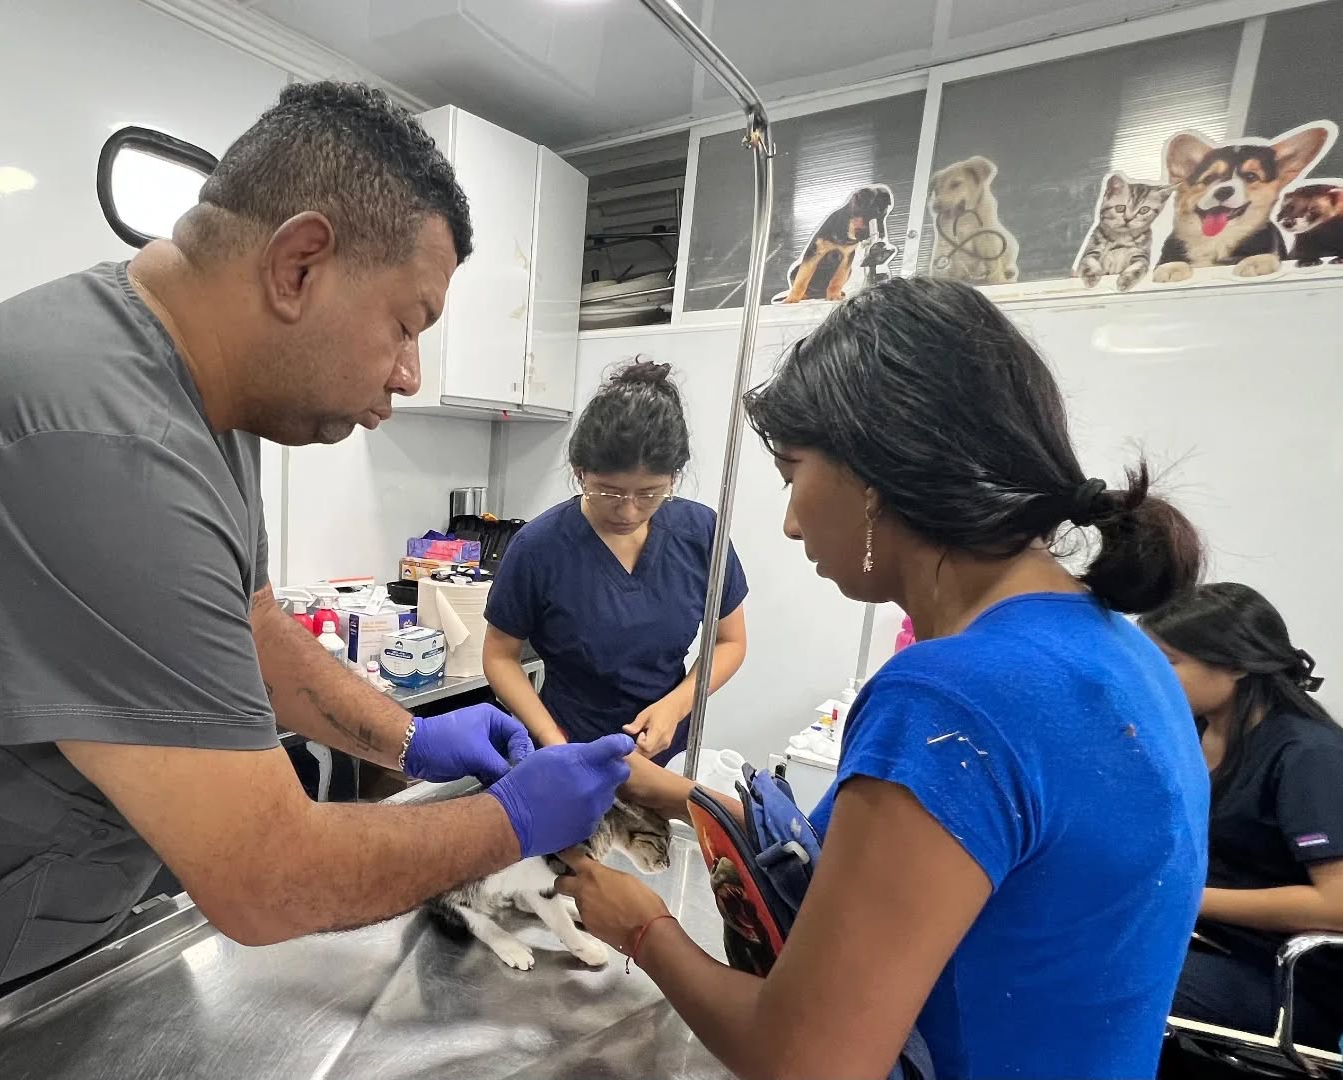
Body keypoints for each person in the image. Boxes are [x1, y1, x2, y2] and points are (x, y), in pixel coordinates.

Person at [0, 81, 633, 1023]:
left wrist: (408, 739)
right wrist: (513, 821)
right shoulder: (102, 445)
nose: (409, 375)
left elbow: (251, 625)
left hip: (66, 930)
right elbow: (266, 879)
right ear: (298, 265)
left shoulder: (201, 395)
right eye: (406, 325)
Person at [558, 277, 1211, 1080]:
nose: (790, 521)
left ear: (874, 475)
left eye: (793, 473)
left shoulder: (949, 698)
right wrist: (678, 796)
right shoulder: (1120, 651)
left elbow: (805, 1063)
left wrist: (642, 928)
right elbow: (904, 876)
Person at [482, 360, 747, 763]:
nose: (628, 510)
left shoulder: (701, 533)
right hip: (570, 749)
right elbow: (500, 656)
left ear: (674, 478)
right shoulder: (539, 547)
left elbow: (730, 641)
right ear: (580, 473)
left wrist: (676, 706)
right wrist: (552, 738)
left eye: (650, 493)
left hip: (666, 751)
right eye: (608, 492)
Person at [1142, 583, 1343, 1049]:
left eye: (1168, 661)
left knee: (1105, 978)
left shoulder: (1307, 755)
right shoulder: (1190, 734)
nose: (1149, 676)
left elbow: (1336, 905)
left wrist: (1184, 898)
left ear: (1236, 664)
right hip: (1206, 943)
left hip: (1287, 982)